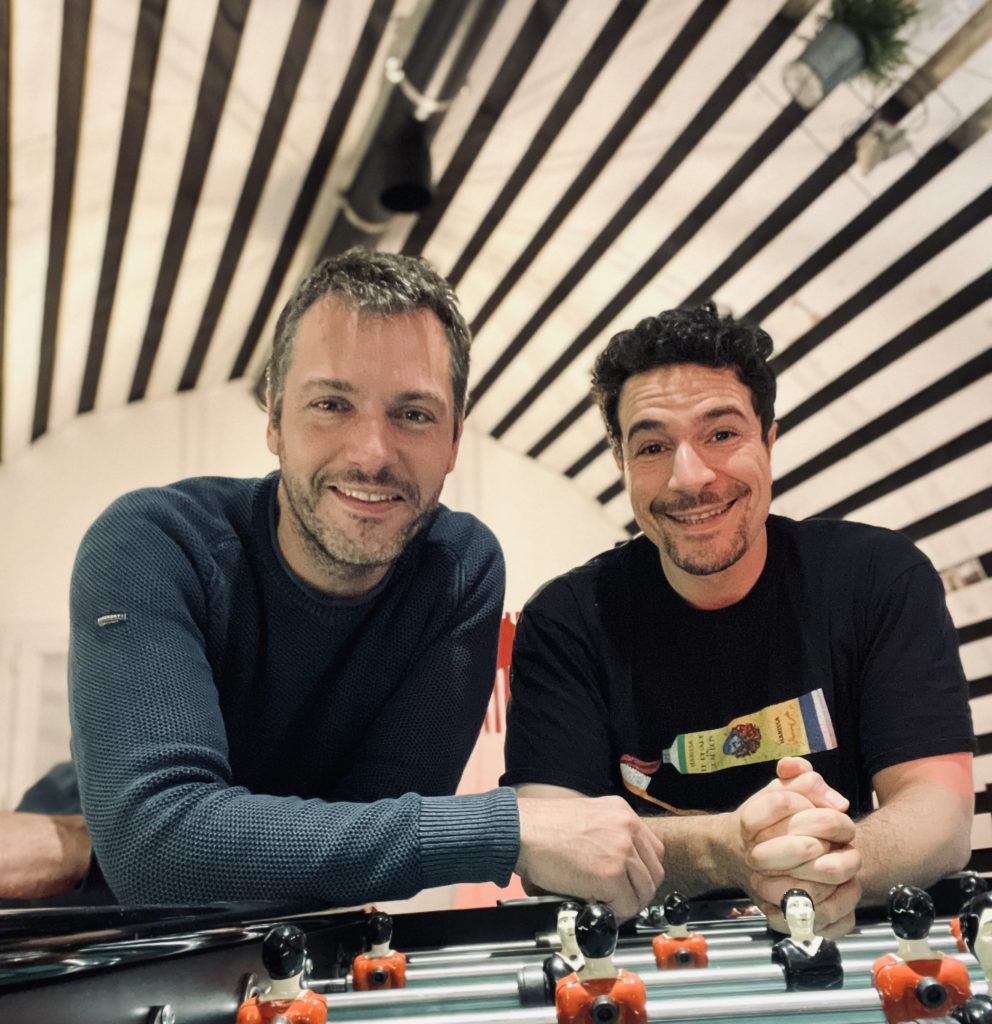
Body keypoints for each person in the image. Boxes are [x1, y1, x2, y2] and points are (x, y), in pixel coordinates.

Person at [36, 248, 664, 915]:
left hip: (282, 942)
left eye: (413, 414)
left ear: (454, 441)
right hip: (78, 920)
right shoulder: (153, 543)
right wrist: (508, 829)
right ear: (274, 420)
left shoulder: (459, 571)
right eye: (332, 404)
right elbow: (157, 852)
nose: (371, 454)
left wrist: (203, 836)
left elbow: (376, 843)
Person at [502, 302, 975, 936]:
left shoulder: (876, 578)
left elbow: (940, 815)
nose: (690, 476)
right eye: (652, 446)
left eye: (722, 434)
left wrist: (838, 866)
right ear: (622, 463)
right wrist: (731, 848)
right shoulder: (567, 620)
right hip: (636, 965)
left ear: (769, 442)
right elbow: (546, 847)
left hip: (838, 939)